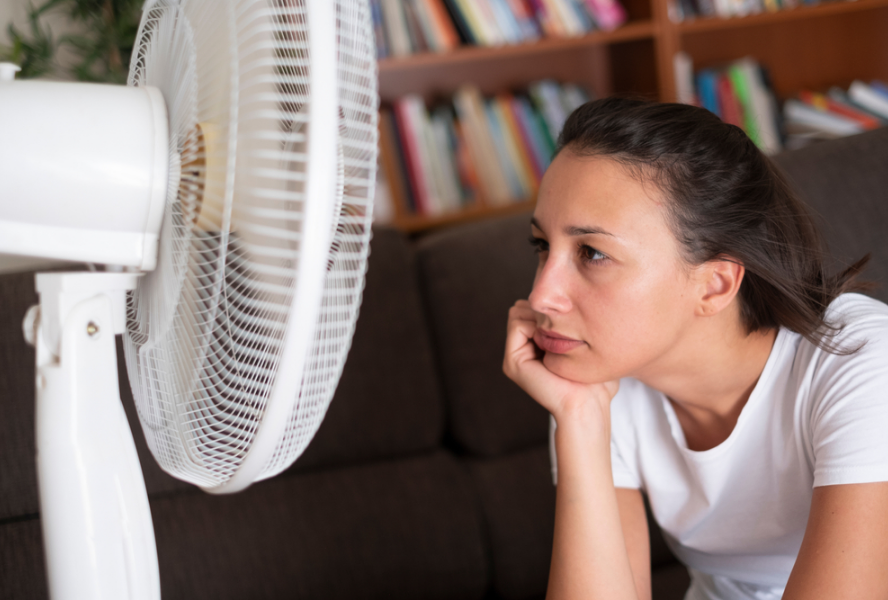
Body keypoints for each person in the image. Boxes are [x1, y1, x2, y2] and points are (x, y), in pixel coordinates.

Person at [503, 97, 888, 600]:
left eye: (592, 253)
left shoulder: (858, 362)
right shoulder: (591, 378)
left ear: (714, 285)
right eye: (542, 247)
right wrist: (578, 418)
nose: (540, 297)